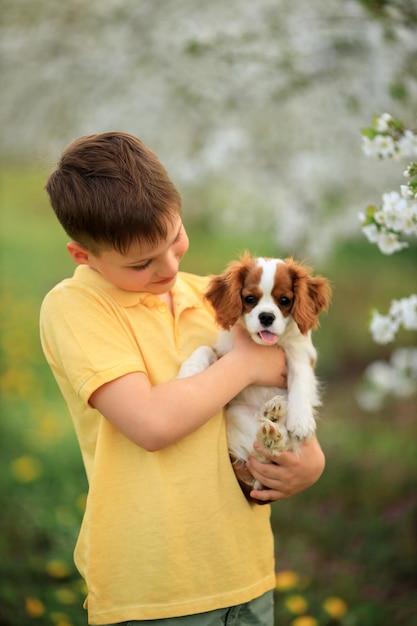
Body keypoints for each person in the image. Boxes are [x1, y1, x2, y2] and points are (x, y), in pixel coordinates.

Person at [40, 131, 325, 626]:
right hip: (154, 587)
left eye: (174, 239)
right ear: (84, 256)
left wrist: (311, 461)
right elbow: (150, 423)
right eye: (141, 263)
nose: (170, 267)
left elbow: (288, 375)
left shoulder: (213, 297)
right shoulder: (76, 307)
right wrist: (248, 363)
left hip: (245, 569)